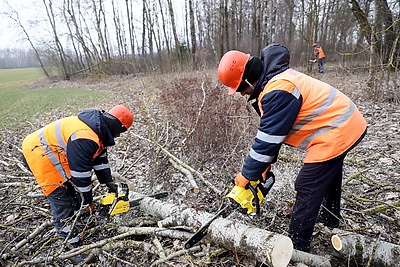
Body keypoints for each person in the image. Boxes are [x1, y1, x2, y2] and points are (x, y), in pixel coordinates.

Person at [218, 44, 367, 252]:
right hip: (346, 123)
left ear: (247, 80)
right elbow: (277, 132)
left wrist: (247, 175)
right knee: (329, 172)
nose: (242, 94)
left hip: (337, 128)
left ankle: (297, 246)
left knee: (307, 184)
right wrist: (264, 166)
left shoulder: (278, 89)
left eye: (241, 89)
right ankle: (330, 219)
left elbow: (266, 141)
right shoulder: (275, 82)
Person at [21, 105, 134, 252]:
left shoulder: (97, 131)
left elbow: (99, 159)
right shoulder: (85, 136)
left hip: (52, 154)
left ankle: (78, 220)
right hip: (39, 154)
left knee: (72, 192)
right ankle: (70, 245)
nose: (118, 135)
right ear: (116, 125)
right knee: (63, 200)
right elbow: (81, 175)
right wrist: (87, 201)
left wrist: (108, 182)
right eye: (121, 131)